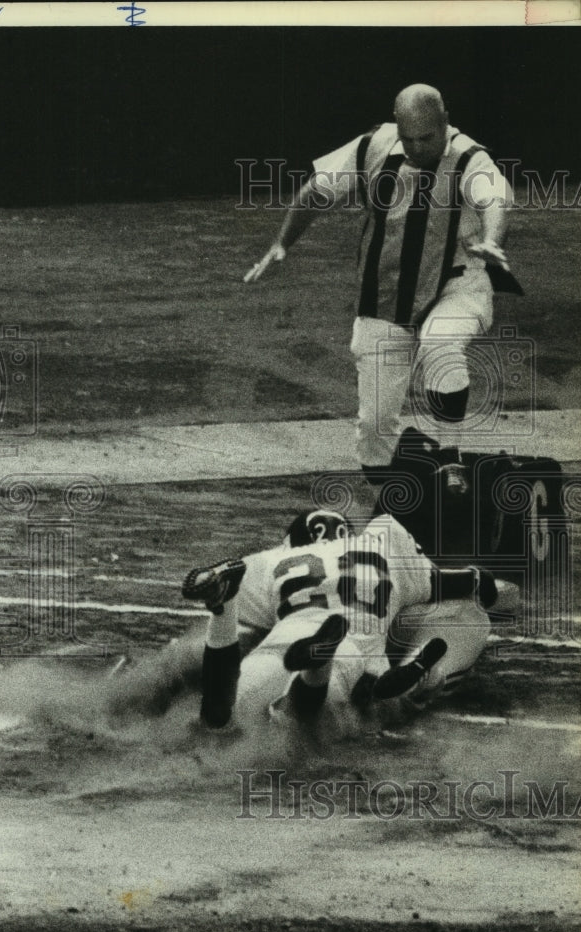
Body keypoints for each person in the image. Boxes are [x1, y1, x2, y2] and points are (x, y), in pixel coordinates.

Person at [244, 83, 521, 482]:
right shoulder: (372, 147)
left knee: (440, 344)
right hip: (387, 291)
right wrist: (282, 242)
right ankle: (391, 507)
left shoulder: (470, 158)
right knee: (374, 428)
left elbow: (494, 200)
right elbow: (318, 191)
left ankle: (450, 456)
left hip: (456, 285)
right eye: (407, 137)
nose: (414, 148)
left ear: (445, 123)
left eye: (425, 138)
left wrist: (492, 239)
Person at [181, 509, 498, 737]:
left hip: (286, 635)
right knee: (296, 723)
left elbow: (215, 586)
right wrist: (478, 578)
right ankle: (326, 667)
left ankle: (223, 610)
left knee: (219, 717)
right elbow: (462, 584)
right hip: (352, 643)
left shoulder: (273, 560)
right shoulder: (381, 542)